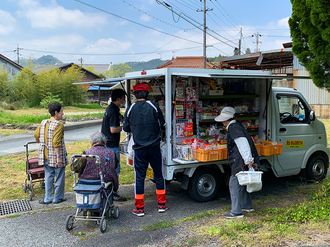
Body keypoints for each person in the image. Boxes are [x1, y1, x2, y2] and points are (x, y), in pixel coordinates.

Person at [123, 83, 167, 217]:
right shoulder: (154, 106)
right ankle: (161, 205)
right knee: (159, 175)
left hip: (139, 149)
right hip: (154, 148)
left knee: (139, 178)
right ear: (147, 94)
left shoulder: (130, 109)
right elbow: (163, 124)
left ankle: (140, 208)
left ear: (135, 95)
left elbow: (126, 128)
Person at [215, 106, 260, 219]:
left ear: (226, 119)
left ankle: (236, 211)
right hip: (243, 160)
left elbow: (242, 144)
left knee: (234, 184)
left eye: (223, 119)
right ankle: (247, 206)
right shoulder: (238, 125)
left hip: (239, 161)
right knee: (245, 183)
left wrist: (248, 160)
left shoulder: (233, 128)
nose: (222, 122)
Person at [34, 102, 68, 204]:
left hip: (45, 154)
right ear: (56, 112)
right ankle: (57, 197)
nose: (62, 113)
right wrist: (58, 157)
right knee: (59, 176)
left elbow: (36, 134)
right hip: (56, 155)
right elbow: (56, 142)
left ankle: (47, 198)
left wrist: (39, 141)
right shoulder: (59, 124)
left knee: (48, 175)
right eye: (61, 111)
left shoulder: (44, 122)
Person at [101, 88, 127, 202]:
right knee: (114, 169)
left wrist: (123, 119)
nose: (125, 100)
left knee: (108, 169)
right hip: (111, 144)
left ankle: (109, 191)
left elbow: (118, 119)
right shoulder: (113, 111)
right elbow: (113, 129)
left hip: (107, 143)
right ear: (118, 99)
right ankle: (113, 193)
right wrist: (126, 128)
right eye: (124, 98)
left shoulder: (111, 108)